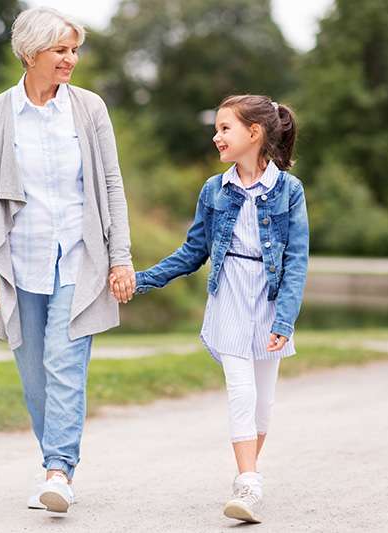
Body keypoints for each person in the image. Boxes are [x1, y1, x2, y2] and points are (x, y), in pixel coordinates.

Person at [111, 94, 309, 524]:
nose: (216, 136)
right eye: (217, 128)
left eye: (225, 128)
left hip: (269, 300)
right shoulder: (213, 190)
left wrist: (285, 319)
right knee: (241, 389)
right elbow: (193, 252)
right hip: (229, 297)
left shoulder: (289, 191)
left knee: (264, 402)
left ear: (253, 134)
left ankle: (246, 479)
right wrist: (142, 279)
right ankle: (250, 483)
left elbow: (296, 262)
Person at [0, 6, 135, 514]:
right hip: (19, 262)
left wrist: (120, 257)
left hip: (80, 259)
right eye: (60, 50)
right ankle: (55, 461)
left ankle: (58, 471)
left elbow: (110, 183)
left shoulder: (89, 109)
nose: (72, 59)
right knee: (34, 374)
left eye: (74, 49)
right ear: (29, 53)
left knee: (66, 366)